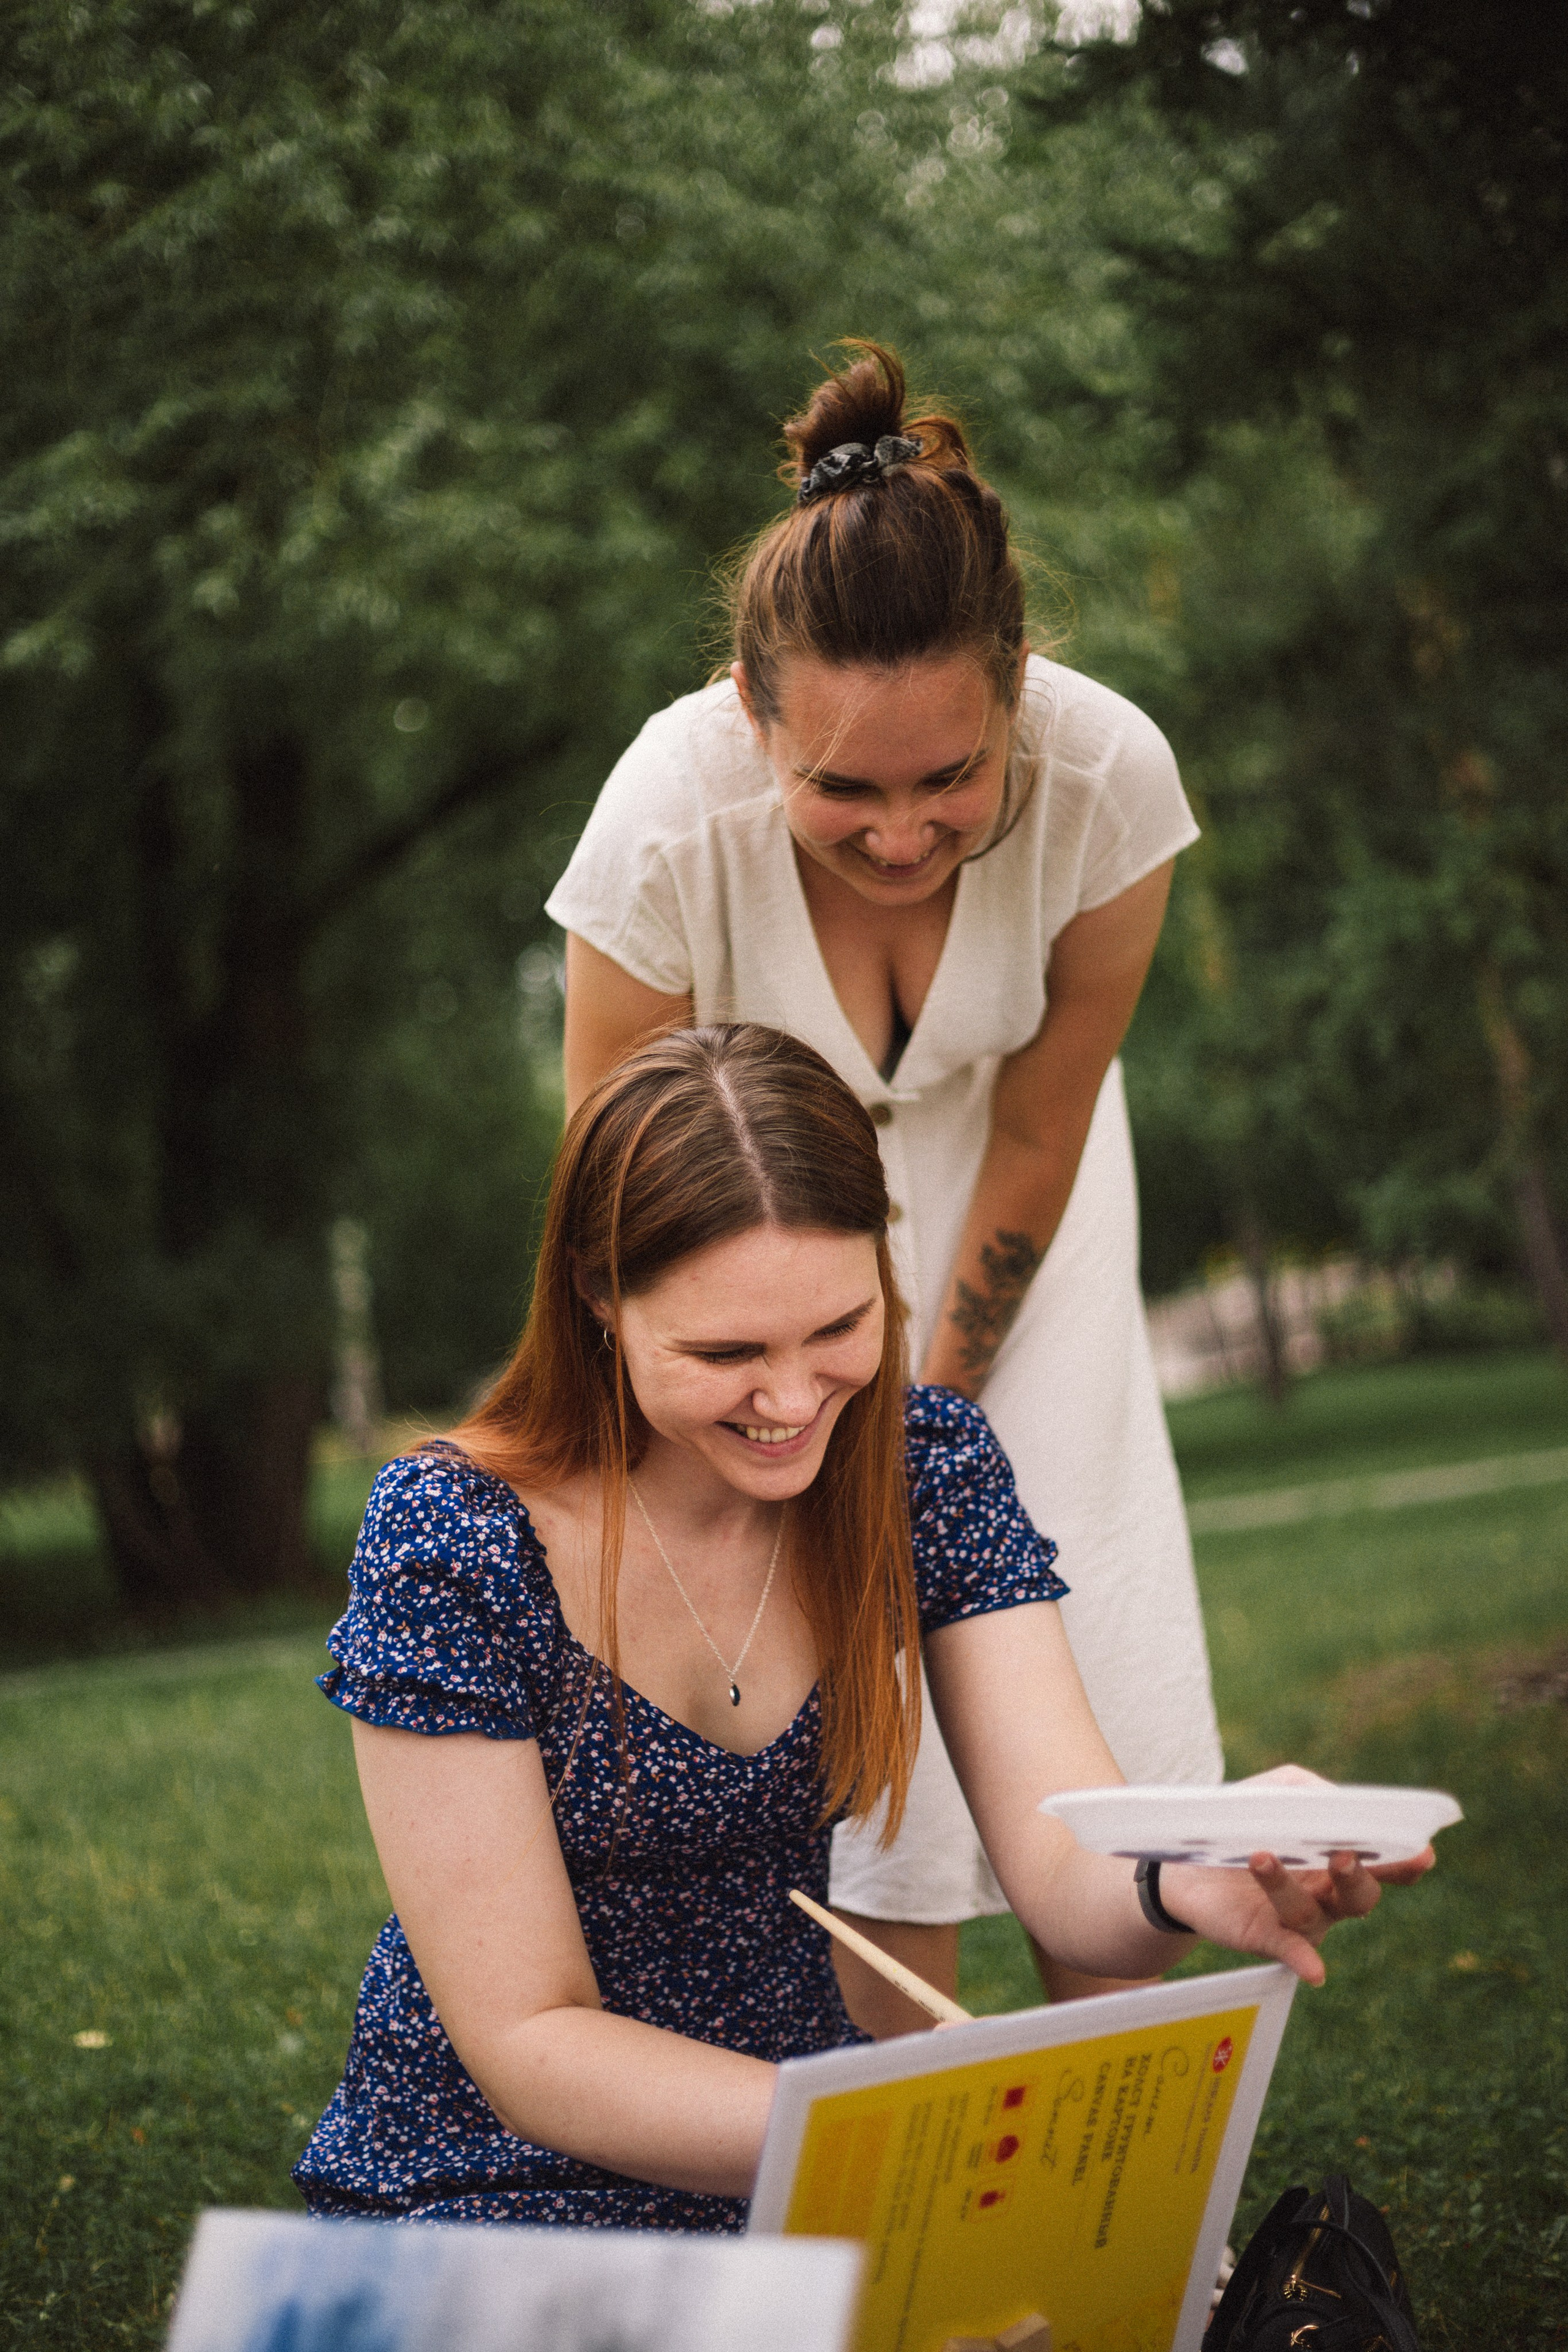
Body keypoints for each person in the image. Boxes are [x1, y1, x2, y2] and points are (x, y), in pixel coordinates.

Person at [295, 1024, 1427, 2232]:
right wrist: (895, 2135)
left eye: (835, 1330)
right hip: (500, 2177)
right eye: (725, 1352)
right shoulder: (455, 1529)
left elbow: (1056, 1861)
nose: (789, 1403)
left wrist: (1183, 1877)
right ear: (595, 1297)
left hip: (820, 2145)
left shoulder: (919, 1467)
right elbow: (530, 2043)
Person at [546, 342, 1219, 2025]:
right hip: (750, 1263)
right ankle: (893, 2209)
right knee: (871, 1761)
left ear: (1015, 693)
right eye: (844, 786)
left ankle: (1138, 2207)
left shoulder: (1112, 781)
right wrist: (790, 1417)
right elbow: (619, 1186)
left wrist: (926, 1418)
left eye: (951, 780)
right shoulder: (658, 825)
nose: (905, 836)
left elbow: (1047, 1126)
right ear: (751, 712)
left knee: (1098, 1672)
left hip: (1024, 1230)